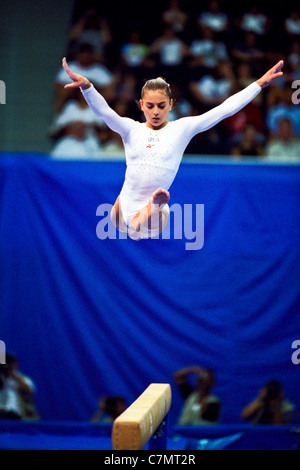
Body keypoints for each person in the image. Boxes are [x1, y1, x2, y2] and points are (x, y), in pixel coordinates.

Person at [61, 57, 284, 241]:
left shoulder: (182, 129)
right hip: (125, 206)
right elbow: (105, 112)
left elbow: (223, 110)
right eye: (149, 106)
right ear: (141, 105)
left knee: (143, 221)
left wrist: (258, 84)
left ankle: (150, 210)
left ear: (171, 105)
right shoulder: (131, 129)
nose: (155, 111)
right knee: (127, 225)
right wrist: (87, 87)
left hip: (155, 215)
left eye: (161, 106)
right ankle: (137, 221)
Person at [0, 353, 39, 420]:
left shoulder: (22, 379)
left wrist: (13, 376)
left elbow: (29, 392)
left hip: (17, 412)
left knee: (10, 394)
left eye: (8, 363)